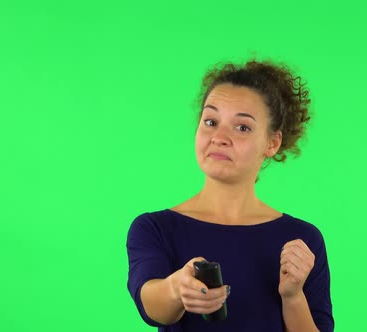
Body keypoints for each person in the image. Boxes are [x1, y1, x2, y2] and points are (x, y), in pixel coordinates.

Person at [126, 59, 334, 332]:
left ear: (272, 143)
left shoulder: (304, 242)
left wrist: (293, 297)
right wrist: (177, 288)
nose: (219, 137)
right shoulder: (155, 229)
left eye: (242, 127)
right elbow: (152, 304)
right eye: (211, 121)